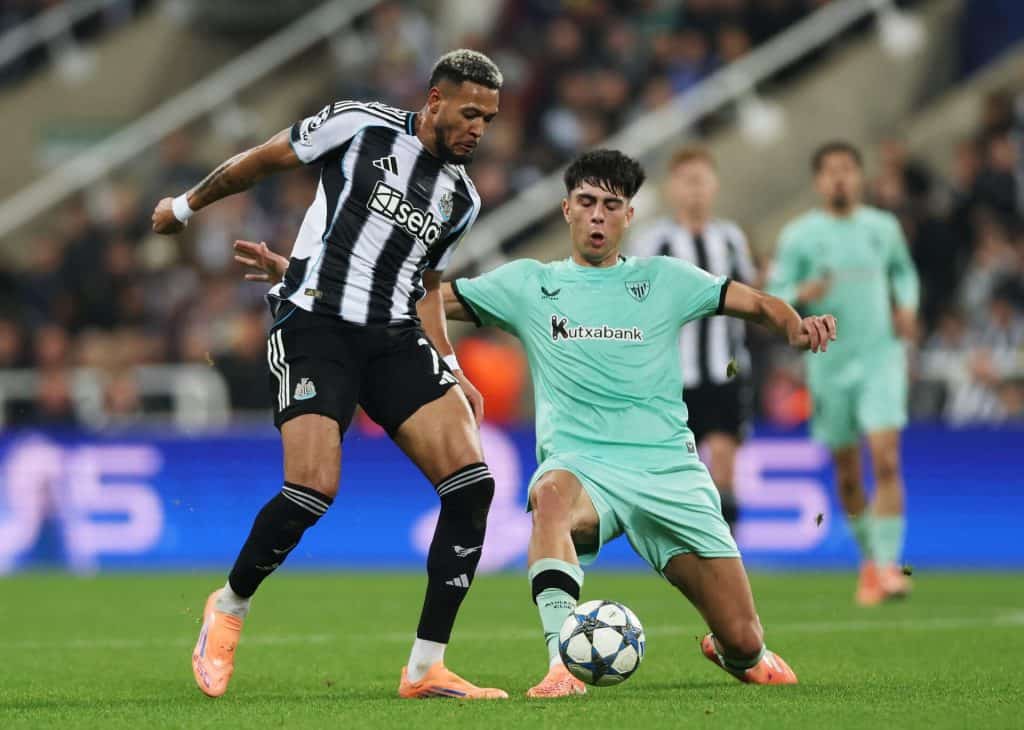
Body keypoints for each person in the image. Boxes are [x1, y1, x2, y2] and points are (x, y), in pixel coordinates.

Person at [240, 150, 837, 697]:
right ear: (566, 209)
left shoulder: (665, 280)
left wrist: (794, 325)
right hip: (581, 467)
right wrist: (303, 275)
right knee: (548, 499)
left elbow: (757, 303)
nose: (597, 217)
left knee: (746, 643)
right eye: (586, 203)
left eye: (610, 206)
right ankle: (561, 662)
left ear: (628, 214)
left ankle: (730, 648)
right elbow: (410, 294)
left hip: (669, 471)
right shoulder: (530, 284)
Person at [151, 50, 509, 701]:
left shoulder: (461, 197)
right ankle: (229, 606)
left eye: (488, 117)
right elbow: (261, 160)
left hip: (394, 339)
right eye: (469, 112)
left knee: (471, 487)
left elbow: (425, 282)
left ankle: (426, 667)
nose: (478, 128)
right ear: (434, 101)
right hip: (315, 327)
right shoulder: (360, 125)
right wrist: (185, 205)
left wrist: (452, 365)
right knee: (312, 489)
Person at [767, 141, 919, 606]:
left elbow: (905, 273)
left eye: (848, 170)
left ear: (859, 176)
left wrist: (907, 306)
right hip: (829, 364)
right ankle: (871, 561)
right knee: (849, 474)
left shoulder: (882, 227)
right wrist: (801, 291)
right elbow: (774, 293)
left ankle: (889, 567)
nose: (840, 178)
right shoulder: (799, 236)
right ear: (818, 180)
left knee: (886, 457)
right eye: (831, 171)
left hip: (880, 358)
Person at [630, 147, 757, 533]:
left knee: (723, 463)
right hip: (671, 379)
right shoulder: (654, 241)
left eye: (701, 180)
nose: (695, 190)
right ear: (672, 188)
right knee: (674, 474)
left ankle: (726, 555)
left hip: (726, 371)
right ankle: (681, 552)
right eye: (687, 181)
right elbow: (636, 300)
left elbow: (750, 296)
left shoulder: (731, 238)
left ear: (714, 186)